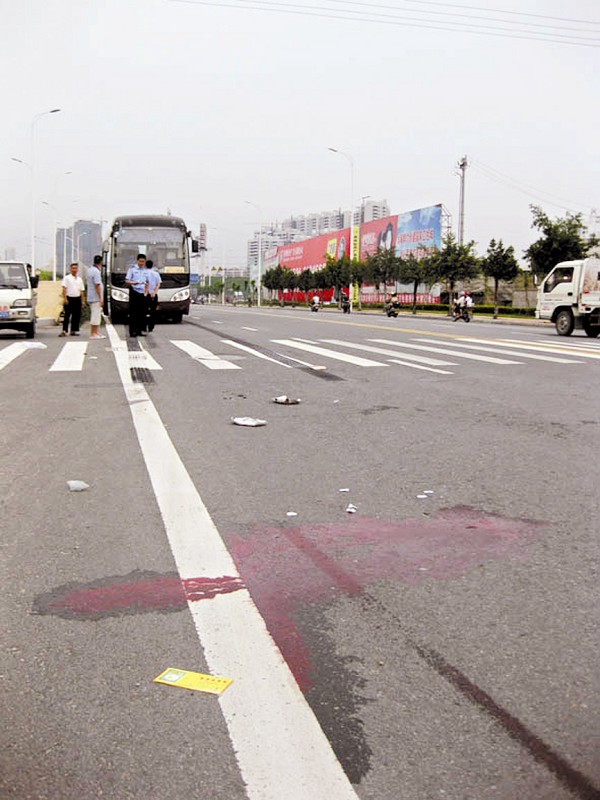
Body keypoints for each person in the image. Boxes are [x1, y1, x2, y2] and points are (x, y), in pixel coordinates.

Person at [125, 253, 149, 337]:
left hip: (143, 293)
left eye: (143, 262)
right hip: (134, 291)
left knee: (142, 312)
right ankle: (133, 331)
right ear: (137, 260)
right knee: (133, 312)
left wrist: (146, 292)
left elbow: (147, 283)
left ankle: (141, 330)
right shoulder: (132, 269)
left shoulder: (146, 271)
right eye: (140, 261)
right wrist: (133, 282)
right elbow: (127, 280)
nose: (141, 263)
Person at [60, 262, 85, 336]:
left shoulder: (79, 279)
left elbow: (82, 291)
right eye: (73, 268)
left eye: (76, 268)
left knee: (76, 315)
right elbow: (64, 288)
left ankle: (74, 330)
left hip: (77, 298)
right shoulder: (67, 278)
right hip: (69, 298)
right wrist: (65, 299)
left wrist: (83, 301)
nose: (74, 270)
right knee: (67, 315)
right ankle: (65, 330)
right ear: (70, 269)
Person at [87, 255, 105, 339]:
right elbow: (97, 285)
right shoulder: (96, 272)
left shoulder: (90, 270)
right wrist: (101, 298)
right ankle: (93, 333)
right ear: (101, 262)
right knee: (96, 315)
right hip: (95, 297)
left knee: (96, 314)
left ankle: (96, 332)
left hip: (91, 296)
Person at [145, 259, 161, 332]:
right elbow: (158, 284)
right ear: (152, 266)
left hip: (145, 294)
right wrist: (154, 292)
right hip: (153, 295)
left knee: (143, 311)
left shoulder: (143, 273)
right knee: (153, 311)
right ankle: (151, 327)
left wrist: (146, 292)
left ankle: (144, 326)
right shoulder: (156, 274)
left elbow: (145, 284)